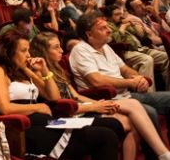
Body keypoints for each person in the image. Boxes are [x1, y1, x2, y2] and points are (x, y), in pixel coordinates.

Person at [31, 32, 170, 160]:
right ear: (44, 51)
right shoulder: (38, 73)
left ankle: (162, 153)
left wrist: (100, 104)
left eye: (60, 46)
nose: (61, 50)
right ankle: (163, 153)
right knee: (132, 117)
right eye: (56, 47)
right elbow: (57, 102)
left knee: (133, 110)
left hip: (81, 107)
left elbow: (75, 95)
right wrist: (95, 106)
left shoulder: (56, 68)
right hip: (68, 115)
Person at [0, 30, 121, 160]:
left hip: (47, 122)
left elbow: (53, 97)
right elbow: (5, 108)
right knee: (106, 137)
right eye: (23, 51)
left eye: (28, 50)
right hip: (26, 129)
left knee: (113, 125)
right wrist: (38, 107)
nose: (28, 55)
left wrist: (44, 70)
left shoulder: (25, 71)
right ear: (9, 52)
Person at [70, 12, 170, 140]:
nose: (109, 30)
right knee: (149, 111)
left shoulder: (105, 47)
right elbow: (97, 81)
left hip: (126, 95)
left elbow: (125, 69)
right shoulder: (80, 50)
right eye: (103, 28)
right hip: (107, 100)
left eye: (108, 26)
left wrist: (138, 78)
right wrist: (130, 83)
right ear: (89, 34)